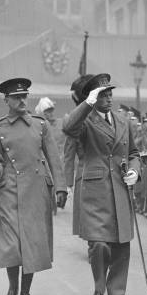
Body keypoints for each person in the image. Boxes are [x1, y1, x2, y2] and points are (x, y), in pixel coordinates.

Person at [0, 78, 67, 295]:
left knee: (32, 243)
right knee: (12, 244)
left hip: (36, 189)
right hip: (9, 189)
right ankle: (12, 290)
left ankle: (26, 294)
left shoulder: (40, 125)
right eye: (16, 97)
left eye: (24, 96)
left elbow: (53, 158)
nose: (22, 101)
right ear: (6, 100)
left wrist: (60, 187)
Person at [62, 73, 140, 295]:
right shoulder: (85, 121)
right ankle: (99, 288)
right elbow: (68, 128)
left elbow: (134, 153)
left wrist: (135, 172)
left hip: (120, 187)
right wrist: (87, 103)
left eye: (109, 93)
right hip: (95, 190)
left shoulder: (123, 121)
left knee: (120, 244)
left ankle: (116, 292)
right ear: (93, 97)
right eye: (102, 94)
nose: (108, 98)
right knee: (99, 245)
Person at [64, 74, 94, 240]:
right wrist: (67, 183)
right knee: (88, 214)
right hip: (85, 172)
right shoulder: (75, 120)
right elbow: (69, 154)